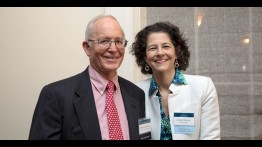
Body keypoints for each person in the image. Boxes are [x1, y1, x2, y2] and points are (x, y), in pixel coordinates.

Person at [29, 15, 145, 140]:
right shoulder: (56, 95)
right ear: (87, 47)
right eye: (104, 41)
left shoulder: (136, 95)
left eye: (118, 41)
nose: (113, 49)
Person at [130, 21, 220, 140]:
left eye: (166, 46)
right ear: (145, 57)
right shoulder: (136, 93)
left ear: (176, 52)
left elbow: (210, 137)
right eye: (152, 48)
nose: (160, 53)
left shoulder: (203, 87)